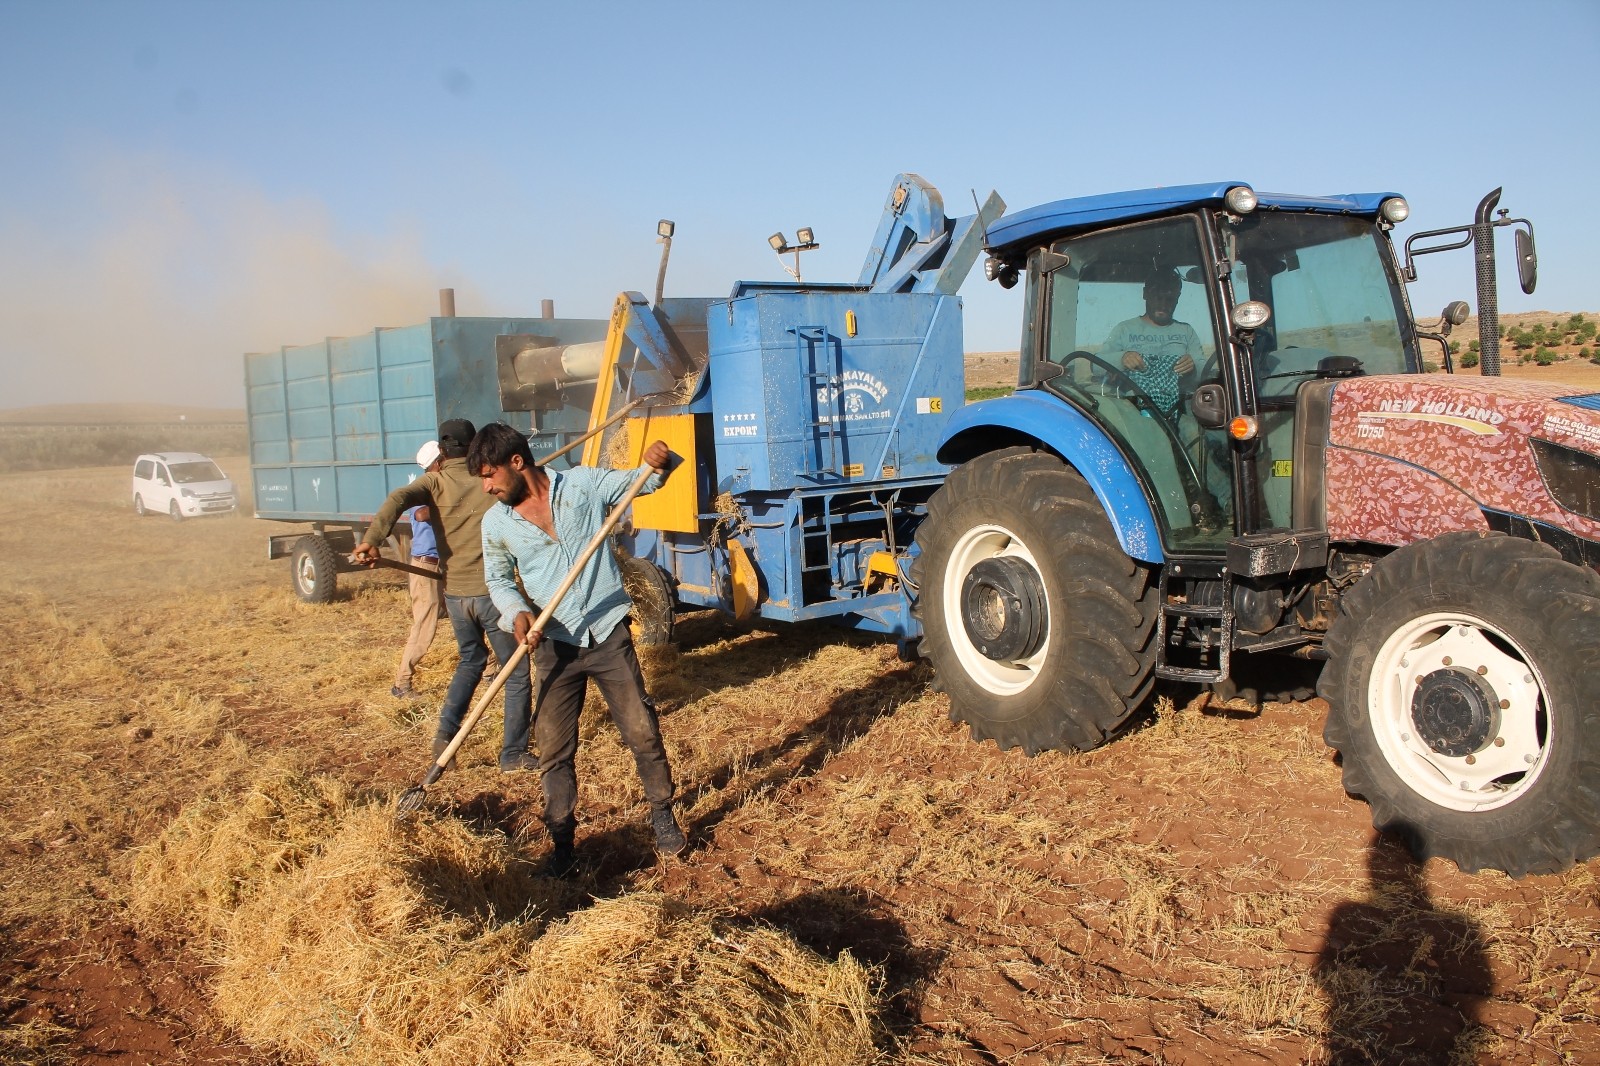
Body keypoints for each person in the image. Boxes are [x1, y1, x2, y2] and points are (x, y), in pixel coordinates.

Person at [467, 421, 684, 875]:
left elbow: (639, 481)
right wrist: (518, 614)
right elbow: (500, 581)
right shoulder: (496, 524)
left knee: (641, 731)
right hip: (554, 647)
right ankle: (562, 843)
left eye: (489, 475)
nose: (486, 487)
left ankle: (662, 813)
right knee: (553, 749)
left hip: (607, 635)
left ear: (516, 462)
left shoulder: (582, 485)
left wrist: (658, 461)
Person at [353, 419, 535, 773]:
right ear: (475, 447)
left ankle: (446, 738)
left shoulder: (433, 482)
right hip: (492, 594)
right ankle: (512, 753)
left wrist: (372, 539)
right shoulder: (488, 479)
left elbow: (398, 498)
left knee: (470, 662)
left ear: (442, 451)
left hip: (456, 596)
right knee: (515, 672)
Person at [1100, 267, 1204, 420]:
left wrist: (1193, 366)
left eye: (1169, 299)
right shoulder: (1125, 329)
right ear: (1145, 294)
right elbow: (1096, 365)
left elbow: (1205, 374)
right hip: (1133, 411)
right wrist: (1122, 358)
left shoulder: (1186, 331)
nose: (1163, 304)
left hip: (1178, 411)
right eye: (1158, 297)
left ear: (1177, 297)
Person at [390, 441, 444, 700]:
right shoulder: (423, 487)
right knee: (424, 626)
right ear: (437, 462)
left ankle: (490, 669)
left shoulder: (441, 483)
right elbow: (422, 514)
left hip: (443, 564)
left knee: (466, 616)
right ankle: (402, 684)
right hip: (426, 566)